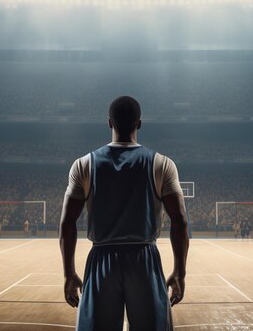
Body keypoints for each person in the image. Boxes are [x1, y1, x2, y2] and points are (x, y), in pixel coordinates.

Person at [59, 96, 189, 331]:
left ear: (109, 123)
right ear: (139, 123)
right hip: (144, 258)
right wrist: (180, 272)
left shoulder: (83, 164)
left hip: (102, 259)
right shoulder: (162, 164)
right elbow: (179, 220)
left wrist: (69, 274)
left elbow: (68, 222)